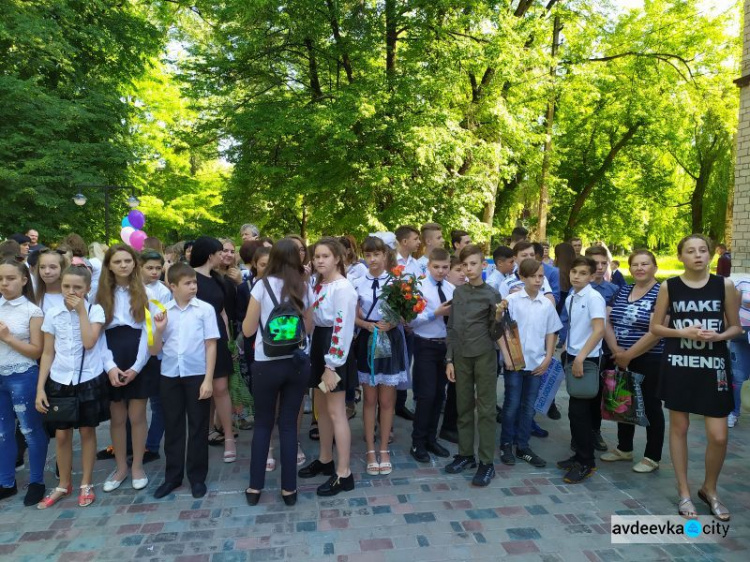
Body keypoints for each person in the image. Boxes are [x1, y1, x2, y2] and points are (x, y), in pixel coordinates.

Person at [650, 234, 740, 521]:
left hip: (714, 366)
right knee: (679, 427)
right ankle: (684, 491)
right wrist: (682, 332)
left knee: (719, 434)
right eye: (691, 251)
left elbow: (736, 327)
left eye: (703, 250)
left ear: (711, 255)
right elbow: (655, 327)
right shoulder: (670, 286)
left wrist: (720, 335)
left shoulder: (724, 285)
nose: (698, 255)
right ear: (681, 256)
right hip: (679, 363)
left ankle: (709, 489)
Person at [242, 238, 314, 506]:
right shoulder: (303, 286)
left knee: (262, 424)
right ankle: (289, 489)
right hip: (296, 363)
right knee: (288, 426)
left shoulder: (261, 286)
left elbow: (248, 330)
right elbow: (307, 329)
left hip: (266, 362)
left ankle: (254, 487)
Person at [35, 265, 109, 508]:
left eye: (77, 287)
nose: (71, 291)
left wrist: (81, 313)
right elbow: (47, 352)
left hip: (88, 378)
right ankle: (63, 483)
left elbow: (89, 342)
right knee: (62, 434)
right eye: (67, 286)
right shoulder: (53, 314)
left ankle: (85, 482)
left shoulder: (94, 310)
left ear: (88, 288)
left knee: (87, 431)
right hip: (59, 379)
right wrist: (41, 388)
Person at [150, 263, 219, 499]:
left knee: (198, 426)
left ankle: (197, 477)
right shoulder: (163, 312)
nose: (193, 287)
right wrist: (159, 330)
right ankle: (173, 476)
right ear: (172, 286)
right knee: (173, 426)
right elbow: (154, 350)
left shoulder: (205, 310)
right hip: (170, 375)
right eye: (188, 283)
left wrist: (208, 379)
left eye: (195, 283)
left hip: (197, 374)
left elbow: (211, 345)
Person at [298, 238, 358, 496]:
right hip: (319, 345)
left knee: (336, 412)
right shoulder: (318, 283)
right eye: (317, 256)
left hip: (334, 351)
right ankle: (325, 459)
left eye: (325, 256)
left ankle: (344, 473)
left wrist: (332, 365)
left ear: (337, 259)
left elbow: (343, 328)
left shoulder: (343, 288)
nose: (319, 260)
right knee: (321, 408)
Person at [96, 245, 155, 493]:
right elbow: (97, 334)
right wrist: (110, 367)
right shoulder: (98, 295)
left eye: (127, 260)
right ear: (109, 265)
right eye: (117, 261)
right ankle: (120, 467)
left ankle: (138, 465)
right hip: (110, 354)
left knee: (138, 416)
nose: (123, 265)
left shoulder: (147, 292)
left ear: (134, 264)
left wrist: (137, 367)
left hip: (138, 356)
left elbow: (147, 331)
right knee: (118, 418)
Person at [444, 245, 502, 487]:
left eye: (474, 264)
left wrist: (499, 317)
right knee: (463, 407)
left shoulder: (492, 295)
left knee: (487, 410)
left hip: (484, 356)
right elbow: (453, 328)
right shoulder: (459, 293)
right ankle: (466, 454)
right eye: (465, 265)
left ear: (483, 265)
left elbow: (497, 333)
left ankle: (486, 462)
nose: (469, 269)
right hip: (461, 357)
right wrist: (449, 359)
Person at [602, 250, 665, 473]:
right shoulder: (623, 290)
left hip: (649, 358)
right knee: (623, 402)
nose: (640, 268)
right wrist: (617, 350)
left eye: (645, 264)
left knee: (651, 406)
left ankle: (652, 456)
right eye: (635, 264)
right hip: (619, 356)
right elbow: (606, 320)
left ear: (654, 268)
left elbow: (656, 332)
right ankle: (624, 448)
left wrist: (629, 354)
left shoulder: (662, 293)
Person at [353, 236, 408, 477]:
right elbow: (351, 316)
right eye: (368, 254)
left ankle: (384, 449)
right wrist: (366, 325)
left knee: (387, 401)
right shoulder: (356, 282)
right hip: (368, 338)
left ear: (386, 255)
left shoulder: (398, 282)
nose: (373, 259)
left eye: (377, 254)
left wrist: (394, 321)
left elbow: (406, 317)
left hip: (390, 339)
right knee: (369, 400)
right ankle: (370, 449)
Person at [498, 259, 562, 469]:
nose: (538, 280)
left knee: (528, 408)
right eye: (533, 276)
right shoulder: (512, 300)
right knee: (511, 405)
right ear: (522, 278)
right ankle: (506, 444)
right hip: (515, 364)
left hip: (536, 364)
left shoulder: (546, 304)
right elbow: (501, 329)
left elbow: (552, 331)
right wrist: (507, 357)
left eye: (541, 276)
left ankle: (523, 446)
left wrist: (548, 357)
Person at [0, 259, 46, 505]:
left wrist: (7, 338)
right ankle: (6, 481)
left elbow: (36, 351)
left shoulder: (32, 310)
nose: (4, 283)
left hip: (23, 376)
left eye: (10, 278)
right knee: (2, 433)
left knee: (30, 430)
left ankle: (37, 481)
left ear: (24, 280)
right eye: (0, 279)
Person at [557, 256, 606, 484]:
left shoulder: (594, 297)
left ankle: (587, 462)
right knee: (576, 412)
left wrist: (581, 357)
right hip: (574, 355)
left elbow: (598, 330)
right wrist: (568, 349)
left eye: (583, 273)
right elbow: (574, 326)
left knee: (580, 413)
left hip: (588, 359)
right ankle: (579, 456)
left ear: (592, 276)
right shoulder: (572, 297)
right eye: (574, 271)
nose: (577, 276)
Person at [190, 237, 236, 463]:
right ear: (210, 255)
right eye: (220, 252)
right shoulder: (190, 278)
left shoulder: (219, 279)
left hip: (217, 337)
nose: (224, 256)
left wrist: (228, 339)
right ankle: (204, 433)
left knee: (220, 387)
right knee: (200, 389)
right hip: (195, 338)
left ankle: (229, 437)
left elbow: (223, 312)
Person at [409, 248, 453, 463]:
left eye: (445, 267)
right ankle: (417, 442)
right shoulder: (419, 287)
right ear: (429, 266)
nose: (441, 271)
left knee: (439, 394)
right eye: (436, 267)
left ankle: (431, 438)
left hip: (445, 347)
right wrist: (436, 313)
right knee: (426, 395)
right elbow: (411, 321)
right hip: (425, 344)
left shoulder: (452, 288)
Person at [140, 250, 173, 463]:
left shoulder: (163, 291)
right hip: (134, 350)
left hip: (156, 351)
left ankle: (151, 445)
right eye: (149, 267)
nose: (154, 272)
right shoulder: (131, 289)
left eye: (158, 268)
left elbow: (163, 322)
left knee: (158, 403)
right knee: (132, 404)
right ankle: (128, 445)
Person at [439, 255, 465, 444]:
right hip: (440, 345)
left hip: (458, 347)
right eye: (458, 270)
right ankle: (444, 428)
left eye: (465, 269)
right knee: (437, 391)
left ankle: (451, 425)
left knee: (457, 389)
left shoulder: (464, 292)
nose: (463, 274)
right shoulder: (448, 293)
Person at [728, 276, 750, 428]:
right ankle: (734, 413)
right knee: (738, 377)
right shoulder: (743, 283)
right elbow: (731, 309)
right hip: (741, 335)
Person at [34, 249, 69, 314]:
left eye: (53, 267)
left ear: (62, 268)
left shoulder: (70, 296)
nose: (47, 271)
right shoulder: (34, 296)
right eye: (42, 267)